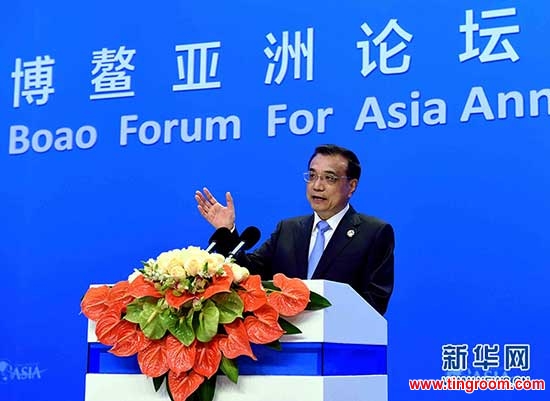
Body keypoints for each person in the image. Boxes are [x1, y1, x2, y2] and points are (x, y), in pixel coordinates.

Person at [195, 144, 394, 315]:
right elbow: (249, 273)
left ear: (351, 186)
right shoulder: (288, 230)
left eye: (329, 178)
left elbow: (375, 301)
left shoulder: (373, 233)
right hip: (287, 347)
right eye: (312, 176)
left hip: (343, 350)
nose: (317, 186)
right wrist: (227, 230)